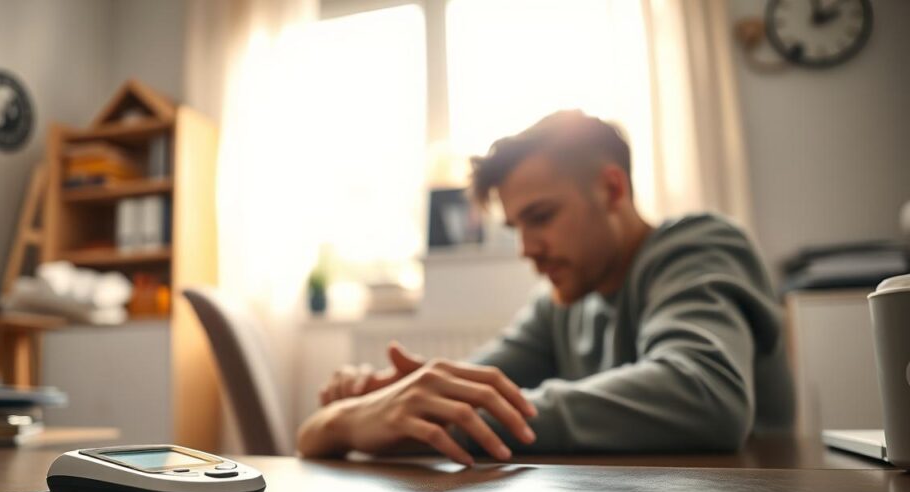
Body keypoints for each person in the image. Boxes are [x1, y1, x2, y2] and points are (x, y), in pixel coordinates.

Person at [297, 110, 794, 465]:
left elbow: (704, 394)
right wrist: (392, 395)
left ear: (612, 189)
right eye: (517, 228)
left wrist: (365, 426)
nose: (527, 249)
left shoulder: (701, 246)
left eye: (541, 217)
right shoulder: (561, 303)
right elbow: (478, 385)